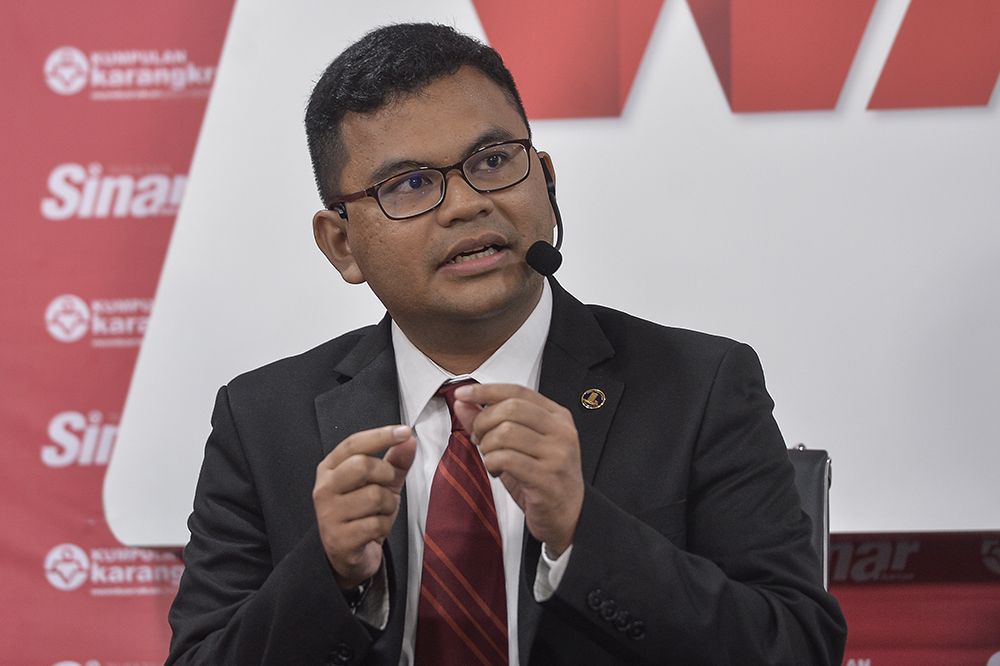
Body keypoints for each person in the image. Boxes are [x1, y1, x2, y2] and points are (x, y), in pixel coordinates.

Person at [167, 23, 847, 665]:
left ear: (545, 181)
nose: (466, 205)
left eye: (493, 161)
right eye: (410, 184)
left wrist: (585, 531)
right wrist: (331, 574)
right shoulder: (262, 420)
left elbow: (797, 646)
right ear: (342, 244)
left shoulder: (698, 385)